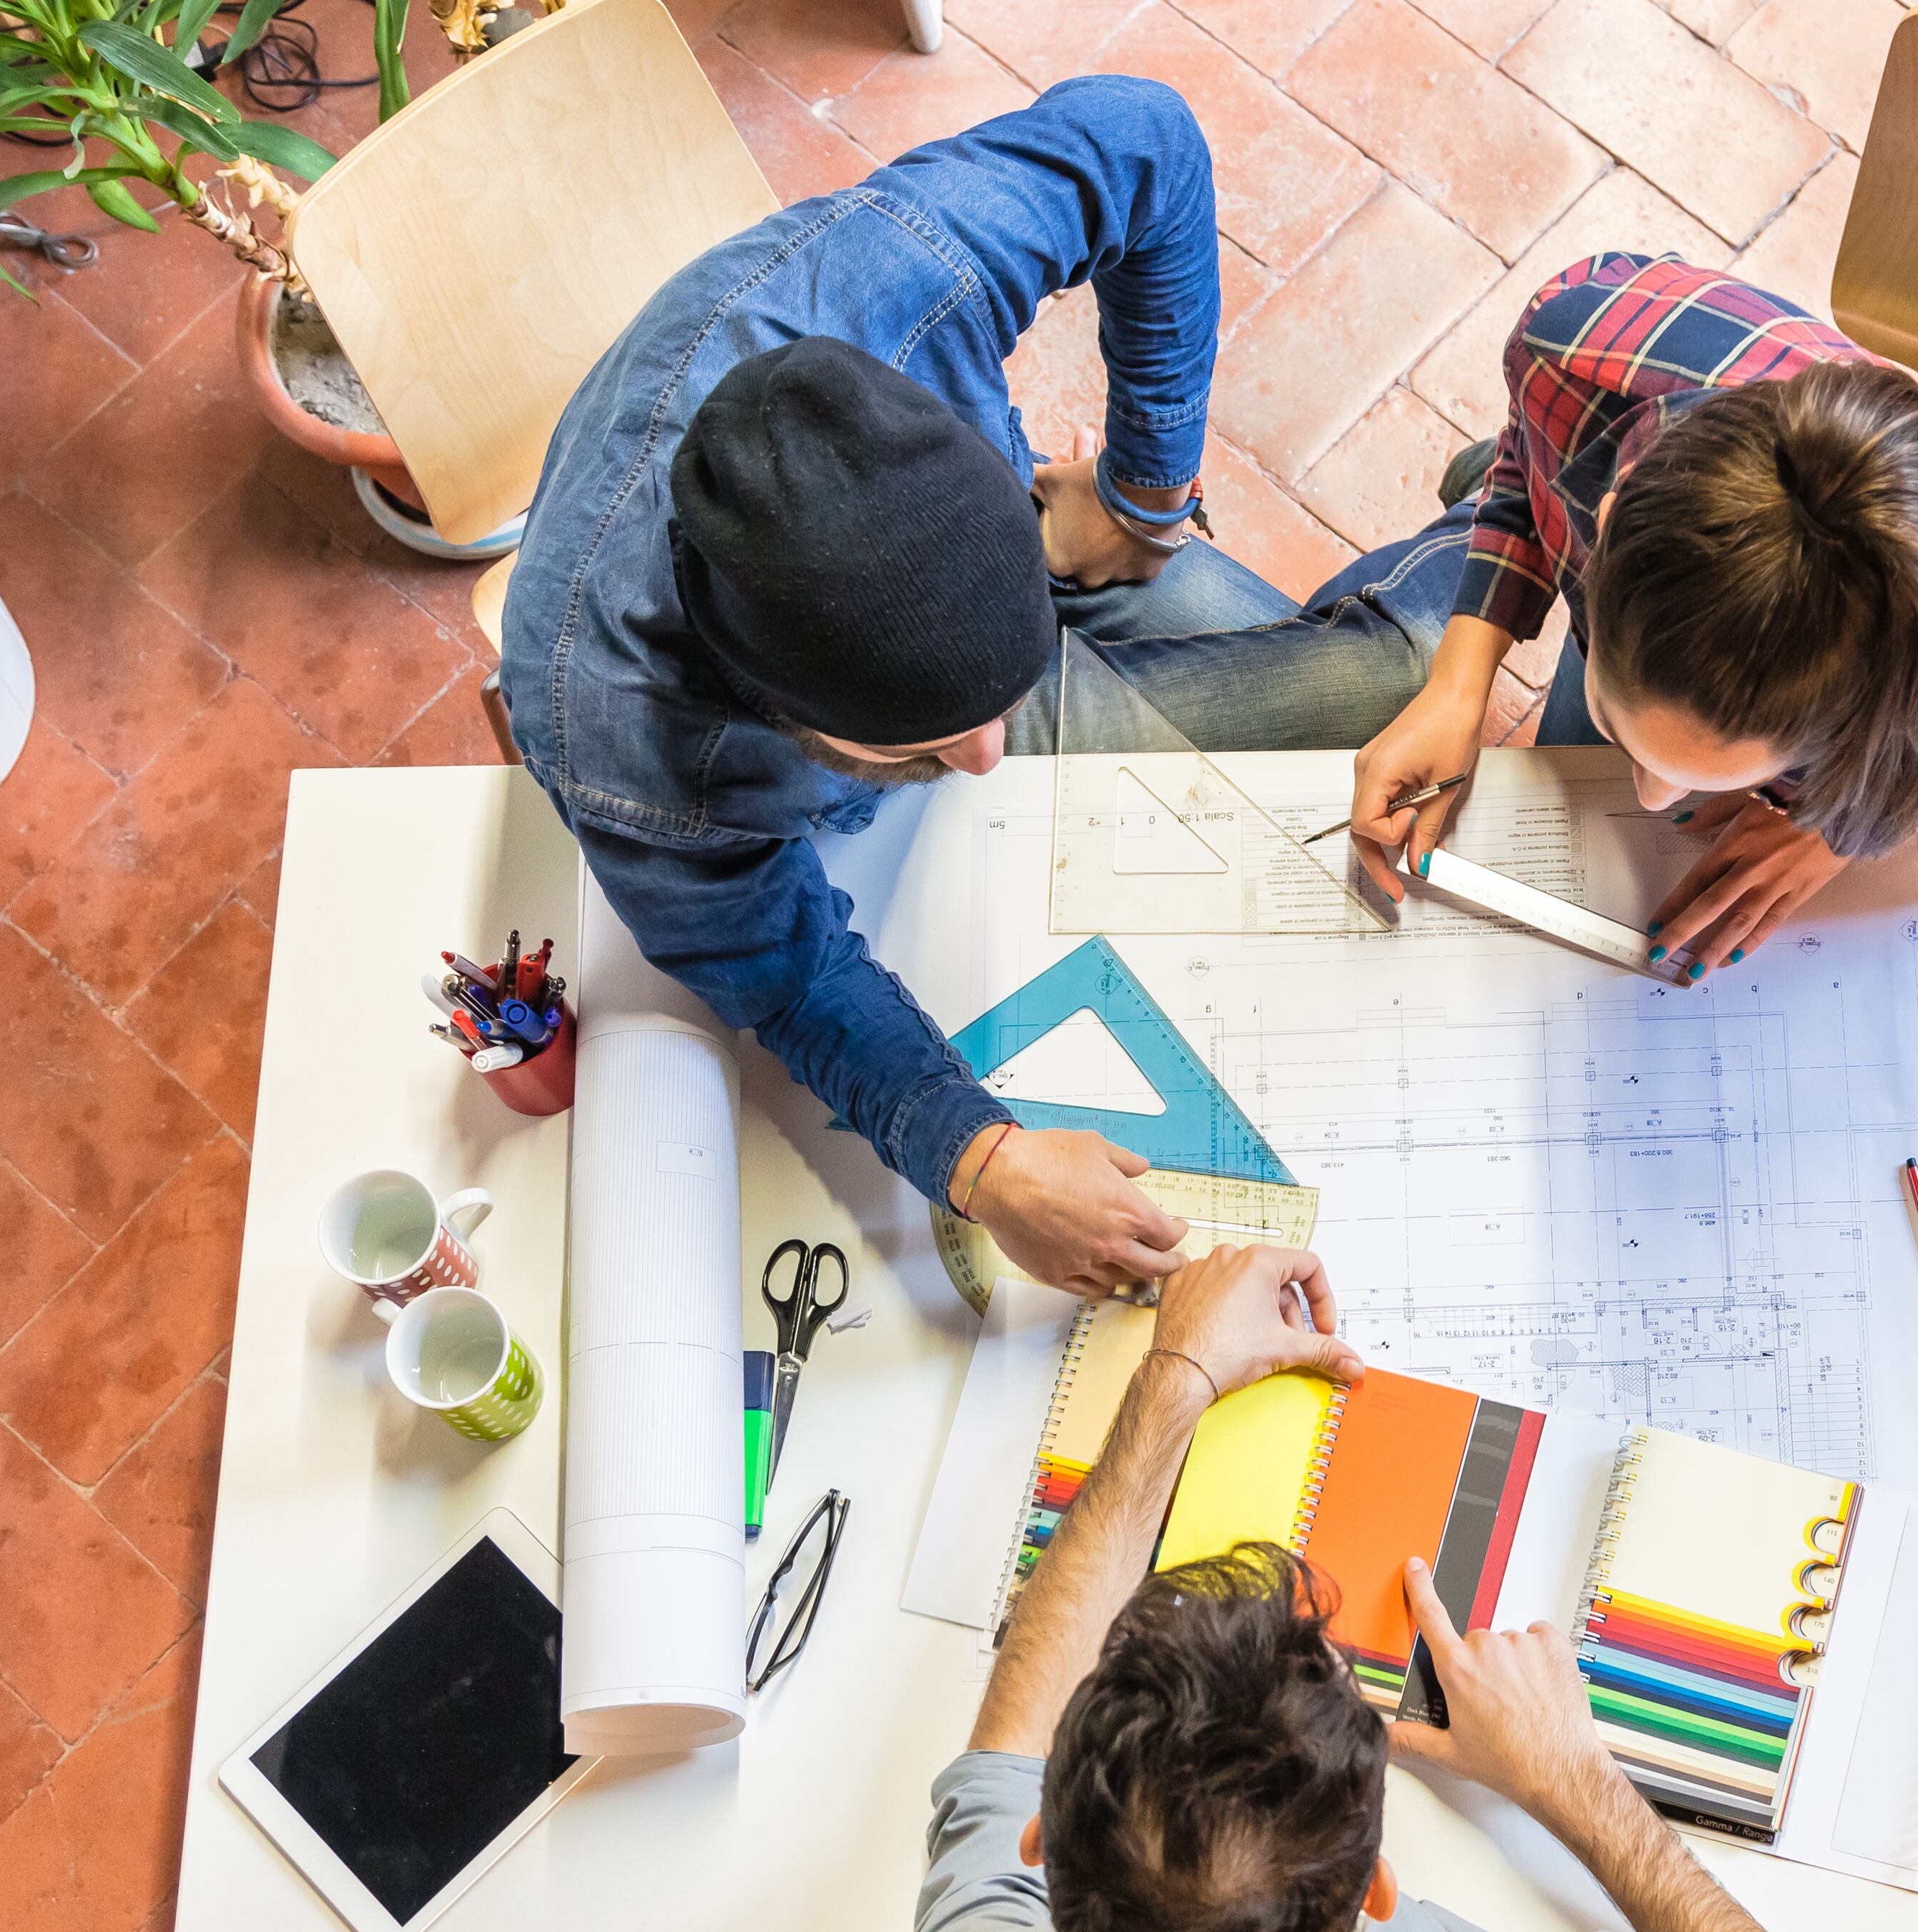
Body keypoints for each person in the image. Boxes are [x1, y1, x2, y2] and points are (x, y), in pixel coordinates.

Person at [500, 80, 1472, 1297]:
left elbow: (1147, 139)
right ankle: (1494, 524)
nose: (991, 763)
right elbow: (790, 976)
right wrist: (984, 1161)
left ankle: (1511, 508)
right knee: (1369, 695)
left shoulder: (899, 275)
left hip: (1030, 549)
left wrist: (1142, 495)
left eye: (997, 710)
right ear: (784, 716)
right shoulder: (627, 754)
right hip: (846, 655)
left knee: (1420, 681)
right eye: (924, 751)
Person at [888, 1242, 1895, 1932]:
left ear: (1040, 1843)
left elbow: (1009, 1731)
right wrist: (1579, 1784)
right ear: (1374, 1888)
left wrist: (1178, 1368)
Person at [1349, 253, 1918, 980]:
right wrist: (1458, 680)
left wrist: (1861, 820)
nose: (1651, 802)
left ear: (1887, 724)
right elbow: (1531, 462)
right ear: (1610, 515)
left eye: (1781, 772)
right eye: (1630, 736)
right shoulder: (1576, 343)